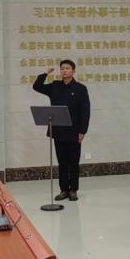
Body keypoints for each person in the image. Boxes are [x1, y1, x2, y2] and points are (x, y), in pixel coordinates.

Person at [32, 60, 91, 201]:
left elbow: (85, 111)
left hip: (74, 131)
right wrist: (45, 73)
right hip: (58, 130)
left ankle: (73, 190)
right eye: (62, 68)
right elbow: (36, 86)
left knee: (73, 162)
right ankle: (64, 189)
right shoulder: (55, 86)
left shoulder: (80, 88)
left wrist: (82, 131)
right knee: (62, 162)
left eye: (68, 68)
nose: (65, 70)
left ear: (73, 71)